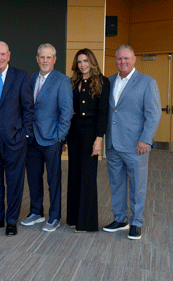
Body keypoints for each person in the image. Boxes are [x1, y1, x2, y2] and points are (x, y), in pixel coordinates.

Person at [103, 44, 161, 240]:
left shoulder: (147, 82)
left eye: (126, 58)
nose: (123, 62)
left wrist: (146, 139)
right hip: (113, 144)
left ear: (134, 59)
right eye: (119, 59)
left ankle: (136, 222)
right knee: (116, 184)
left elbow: (153, 114)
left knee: (137, 185)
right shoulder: (109, 81)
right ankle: (120, 219)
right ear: (115, 61)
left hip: (136, 145)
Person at [0, 41, 34, 236]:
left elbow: (28, 108)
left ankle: (11, 220)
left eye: (3, 54)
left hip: (15, 140)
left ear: (9, 55)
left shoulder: (21, 76)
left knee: (14, 182)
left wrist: (26, 134)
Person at [21, 44, 73, 232]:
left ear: (54, 59)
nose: (45, 60)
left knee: (53, 180)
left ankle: (55, 216)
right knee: (33, 178)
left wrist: (60, 137)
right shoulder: (31, 79)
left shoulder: (62, 81)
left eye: (48, 57)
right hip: (32, 139)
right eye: (42, 57)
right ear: (37, 59)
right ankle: (36, 212)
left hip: (52, 139)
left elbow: (66, 112)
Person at [66, 48, 110, 232]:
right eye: (79, 61)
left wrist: (99, 138)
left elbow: (103, 112)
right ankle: (74, 218)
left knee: (88, 176)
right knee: (74, 174)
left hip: (91, 131)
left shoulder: (102, 81)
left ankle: (87, 222)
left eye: (85, 61)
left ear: (92, 62)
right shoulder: (72, 82)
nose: (82, 64)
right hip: (74, 131)